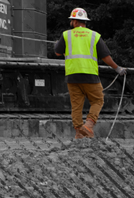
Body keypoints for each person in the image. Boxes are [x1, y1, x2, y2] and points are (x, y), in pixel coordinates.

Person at [54, 7, 127, 139]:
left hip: (72, 76)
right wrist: (117, 68)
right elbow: (106, 57)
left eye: (72, 21)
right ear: (84, 21)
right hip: (90, 75)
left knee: (76, 106)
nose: (71, 23)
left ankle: (79, 133)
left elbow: (58, 52)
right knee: (98, 100)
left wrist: (57, 45)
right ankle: (88, 125)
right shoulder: (94, 35)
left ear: (75, 22)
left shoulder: (66, 35)